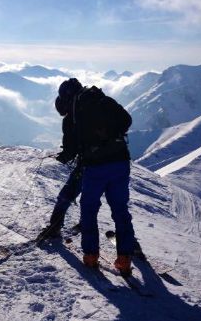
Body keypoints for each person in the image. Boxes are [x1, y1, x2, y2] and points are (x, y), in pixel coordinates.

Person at [57, 78, 138, 275]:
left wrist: (63, 156)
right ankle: (125, 259)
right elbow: (126, 120)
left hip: (95, 168)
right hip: (120, 162)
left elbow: (70, 149)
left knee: (89, 209)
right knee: (120, 209)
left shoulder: (73, 116)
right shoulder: (102, 100)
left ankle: (91, 256)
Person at [39, 95, 83, 238]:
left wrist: (63, 156)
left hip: (88, 165)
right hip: (116, 162)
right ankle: (130, 245)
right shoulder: (94, 110)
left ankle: (55, 227)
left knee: (65, 196)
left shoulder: (71, 119)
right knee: (117, 207)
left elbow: (70, 151)